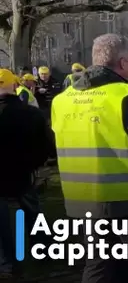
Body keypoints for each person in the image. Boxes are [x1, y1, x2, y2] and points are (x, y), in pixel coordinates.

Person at [51, 34, 128, 281]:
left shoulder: (61, 100)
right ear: (123, 62)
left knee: (98, 264)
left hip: (83, 200)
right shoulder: (126, 94)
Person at [0, 69, 52, 279]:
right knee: (30, 213)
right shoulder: (31, 114)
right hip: (23, 174)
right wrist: (33, 164)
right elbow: (46, 146)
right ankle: (42, 251)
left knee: (2, 222)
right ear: (15, 86)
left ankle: (9, 263)